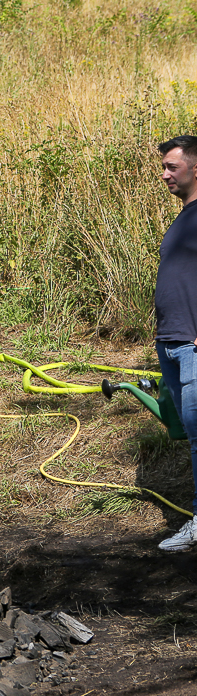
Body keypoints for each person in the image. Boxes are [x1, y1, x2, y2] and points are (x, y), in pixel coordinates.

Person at [154, 136, 197, 552]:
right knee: (191, 434)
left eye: (172, 167)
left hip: (192, 344)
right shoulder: (184, 217)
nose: (165, 175)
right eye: (163, 168)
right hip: (171, 341)